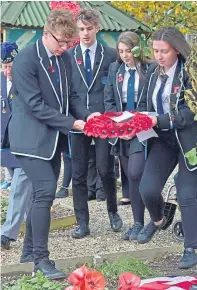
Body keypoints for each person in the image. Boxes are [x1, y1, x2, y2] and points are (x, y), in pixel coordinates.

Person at [8, 10, 96, 279]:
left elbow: (72, 95)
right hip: (28, 138)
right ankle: (40, 260)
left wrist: (86, 116)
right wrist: (71, 123)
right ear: (45, 34)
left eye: (67, 44)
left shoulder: (65, 58)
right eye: (60, 42)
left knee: (39, 195)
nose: (64, 48)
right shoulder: (25, 59)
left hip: (53, 139)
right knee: (46, 190)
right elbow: (34, 105)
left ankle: (28, 252)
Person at [135, 27, 197, 269]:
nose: (159, 56)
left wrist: (158, 120)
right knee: (147, 189)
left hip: (190, 140)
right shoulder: (152, 72)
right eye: (155, 51)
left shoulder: (190, 74)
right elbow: (142, 102)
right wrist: (134, 121)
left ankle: (190, 247)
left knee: (187, 193)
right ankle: (161, 219)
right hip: (162, 139)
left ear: (177, 51)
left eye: (164, 51)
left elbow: (188, 114)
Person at [68, 8, 123, 239]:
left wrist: (108, 115)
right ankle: (83, 222)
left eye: (89, 29)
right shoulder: (68, 56)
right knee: (78, 174)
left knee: (105, 169)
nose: (85, 33)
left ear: (97, 28)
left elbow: (115, 88)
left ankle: (113, 211)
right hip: (79, 121)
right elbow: (70, 91)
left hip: (103, 121)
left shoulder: (110, 55)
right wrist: (80, 116)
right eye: (81, 29)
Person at [104, 31, 152, 241]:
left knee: (135, 172)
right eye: (121, 51)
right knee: (129, 177)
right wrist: (118, 127)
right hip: (121, 129)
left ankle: (156, 214)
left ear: (137, 49)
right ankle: (138, 223)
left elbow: (148, 101)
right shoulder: (116, 69)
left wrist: (135, 125)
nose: (125, 55)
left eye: (128, 51)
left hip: (142, 128)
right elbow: (110, 100)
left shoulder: (149, 70)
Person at [0, 42, 33, 254]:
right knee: (27, 192)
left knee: (19, 188)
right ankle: (35, 228)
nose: (7, 70)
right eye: (4, 66)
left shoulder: (29, 81)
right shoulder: (2, 80)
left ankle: (6, 234)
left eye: (10, 65)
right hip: (6, 145)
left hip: (27, 143)